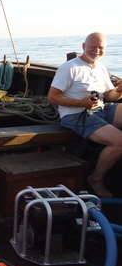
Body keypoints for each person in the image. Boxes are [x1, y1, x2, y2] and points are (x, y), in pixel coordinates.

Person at [48, 32, 122, 198]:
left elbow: (109, 96)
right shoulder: (70, 67)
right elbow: (53, 97)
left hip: (100, 109)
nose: (96, 51)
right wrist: (82, 103)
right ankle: (96, 178)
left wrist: (119, 91)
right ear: (83, 47)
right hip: (76, 114)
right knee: (119, 142)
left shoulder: (100, 67)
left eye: (100, 48)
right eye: (92, 47)